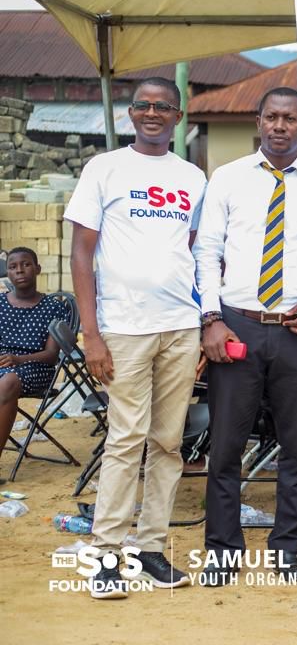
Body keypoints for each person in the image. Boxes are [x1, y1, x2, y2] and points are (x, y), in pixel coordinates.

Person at [65, 76, 206, 598]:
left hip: (178, 326)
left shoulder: (192, 176)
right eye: (143, 106)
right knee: (126, 438)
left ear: (177, 115)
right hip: (122, 328)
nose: (152, 113)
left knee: (169, 442)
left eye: (162, 107)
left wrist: (199, 321)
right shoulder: (104, 168)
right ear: (130, 114)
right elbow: (82, 253)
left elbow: (189, 250)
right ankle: (104, 554)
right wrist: (91, 333)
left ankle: (148, 548)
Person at [194, 87, 297, 586]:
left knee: (296, 446)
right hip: (237, 325)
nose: (279, 126)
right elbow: (206, 253)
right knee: (226, 446)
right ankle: (223, 551)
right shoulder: (227, 180)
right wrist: (211, 320)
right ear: (258, 120)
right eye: (271, 116)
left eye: (290, 119)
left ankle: (287, 548)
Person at [0, 247, 69, 466]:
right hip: (3, 365)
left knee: (8, 381)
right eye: (13, 267)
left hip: (35, 368)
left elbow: (51, 355)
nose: (19, 271)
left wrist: (18, 360)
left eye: (26, 264)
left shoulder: (54, 307)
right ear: (7, 273)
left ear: (37, 269)